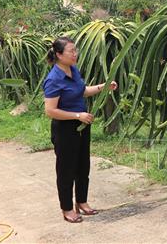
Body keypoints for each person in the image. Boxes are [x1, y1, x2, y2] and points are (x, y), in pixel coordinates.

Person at [43, 36, 118, 223]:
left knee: (83, 166)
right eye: (71, 51)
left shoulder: (73, 70)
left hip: (82, 126)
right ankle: (67, 208)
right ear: (59, 55)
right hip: (65, 128)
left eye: (75, 50)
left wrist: (103, 87)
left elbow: (82, 91)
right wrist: (77, 115)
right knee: (66, 169)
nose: (75, 54)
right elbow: (50, 111)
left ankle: (82, 202)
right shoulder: (53, 79)